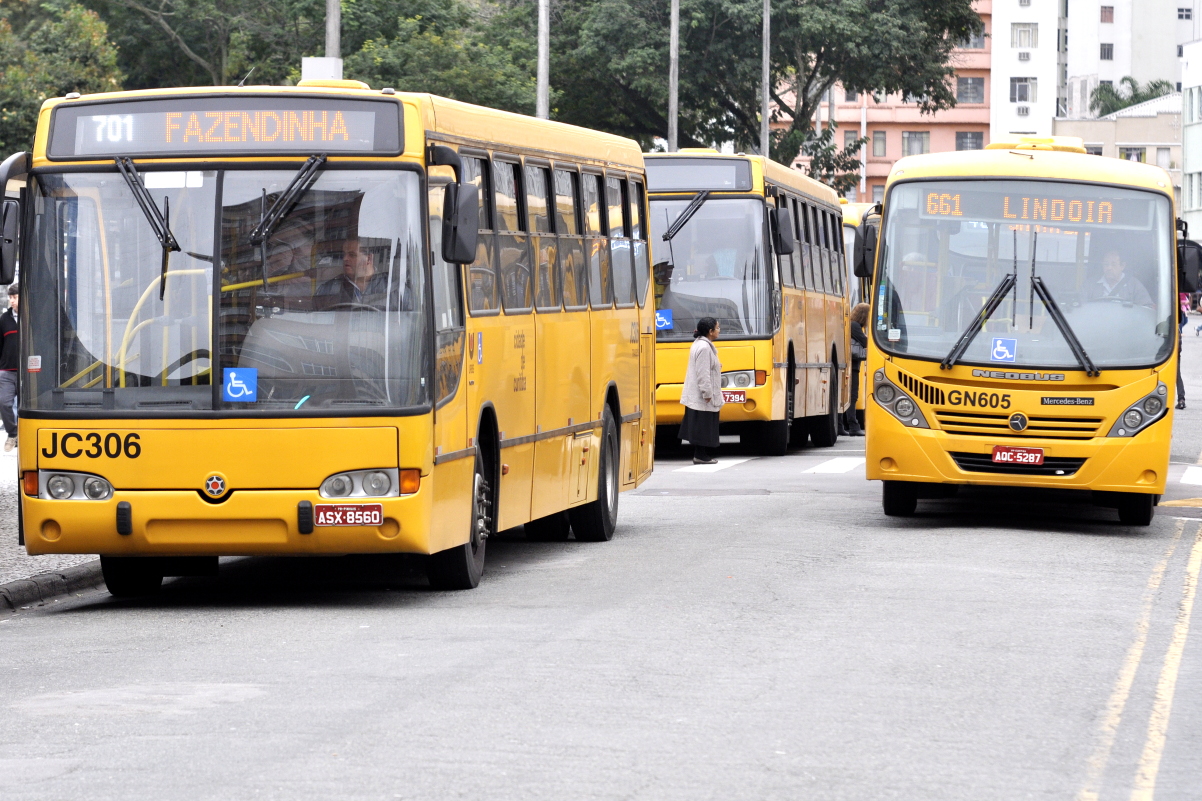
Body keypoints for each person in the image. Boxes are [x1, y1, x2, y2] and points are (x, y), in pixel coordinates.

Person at [678, 316, 724, 465]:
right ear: (710, 331)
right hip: (702, 395)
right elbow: (702, 373)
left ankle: (702, 454)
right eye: (717, 328)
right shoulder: (704, 348)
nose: (719, 330)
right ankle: (701, 455)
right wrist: (707, 393)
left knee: (701, 425)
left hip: (698, 394)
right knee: (703, 427)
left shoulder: (699, 344)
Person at [317, 237, 390, 307]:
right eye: (344, 254)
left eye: (352, 255)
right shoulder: (328, 289)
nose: (345, 258)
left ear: (369, 258)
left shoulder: (391, 287)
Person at [1086, 250, 1153, 307]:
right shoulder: (1090, 285)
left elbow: (1146, 308)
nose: (1109, 268)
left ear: (1122, 266)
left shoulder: (1134, 285)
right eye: (1106, 264)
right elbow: (1081, 307)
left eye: (1113, 264)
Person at [841, 302, 869, 436]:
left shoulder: (851, 324)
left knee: (845, 395)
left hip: (849, 364)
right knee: (852, 396)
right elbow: (866, 342)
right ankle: (853, 426)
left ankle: (841, 425)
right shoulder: (855, 326)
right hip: (852, 366)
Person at [0, 284, 17, 451]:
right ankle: (13, 433)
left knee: (28, 407)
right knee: (4, 403)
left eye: (15, 297)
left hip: (29, 372)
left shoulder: (31, 317)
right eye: (10, 297)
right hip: (6, 371)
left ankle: (26, 436)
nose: (12, 301)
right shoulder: (4, 319)